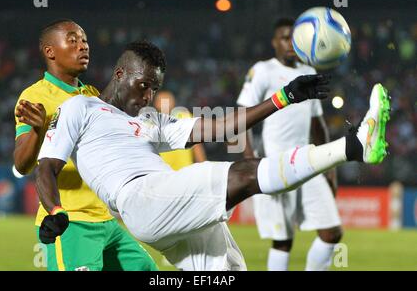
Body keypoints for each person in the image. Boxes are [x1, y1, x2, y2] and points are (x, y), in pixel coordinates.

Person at [26, 40, 390, 271]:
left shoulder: (150, 119)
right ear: (120, 74)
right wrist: (55, 211)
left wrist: (285, 97)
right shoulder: (81, 109)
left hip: (165, 207)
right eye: (143, 85)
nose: (148, 96)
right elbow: (47, 166)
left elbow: (220, 127)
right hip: (139, 196)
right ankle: (354, 146)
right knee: (244, 174)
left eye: (155, 88)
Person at [14, 20, 157, 271]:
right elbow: (22, 165)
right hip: (71, 221)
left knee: (148, 269)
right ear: (50, 51)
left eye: (85, 41)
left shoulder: (92, 95)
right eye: (72, 40)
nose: (83, 46)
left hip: (106, 222)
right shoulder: (34, 96)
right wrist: (37, 131)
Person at [237, 18, 342, 271]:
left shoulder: (309, 72)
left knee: (332, 233)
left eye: (294, 37)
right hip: (275, 163)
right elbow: (240, 116)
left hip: (308, 160)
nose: (290, 43)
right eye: (284, 38)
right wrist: (249, 158)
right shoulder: (263, 70)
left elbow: (318, 125)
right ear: (274, 42)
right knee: (283, 240)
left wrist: (330, 167)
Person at [153, 90, 246, 269]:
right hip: (164, 177)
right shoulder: (151, 122)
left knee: (188, 216)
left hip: (185, 175)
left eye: (167, 100)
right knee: (174, 218)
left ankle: (192, 252)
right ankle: (182, 251)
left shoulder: (183, 115)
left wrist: (203, 164)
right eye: (161, 100)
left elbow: (196, 144)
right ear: (155, 103)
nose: (164, 103)